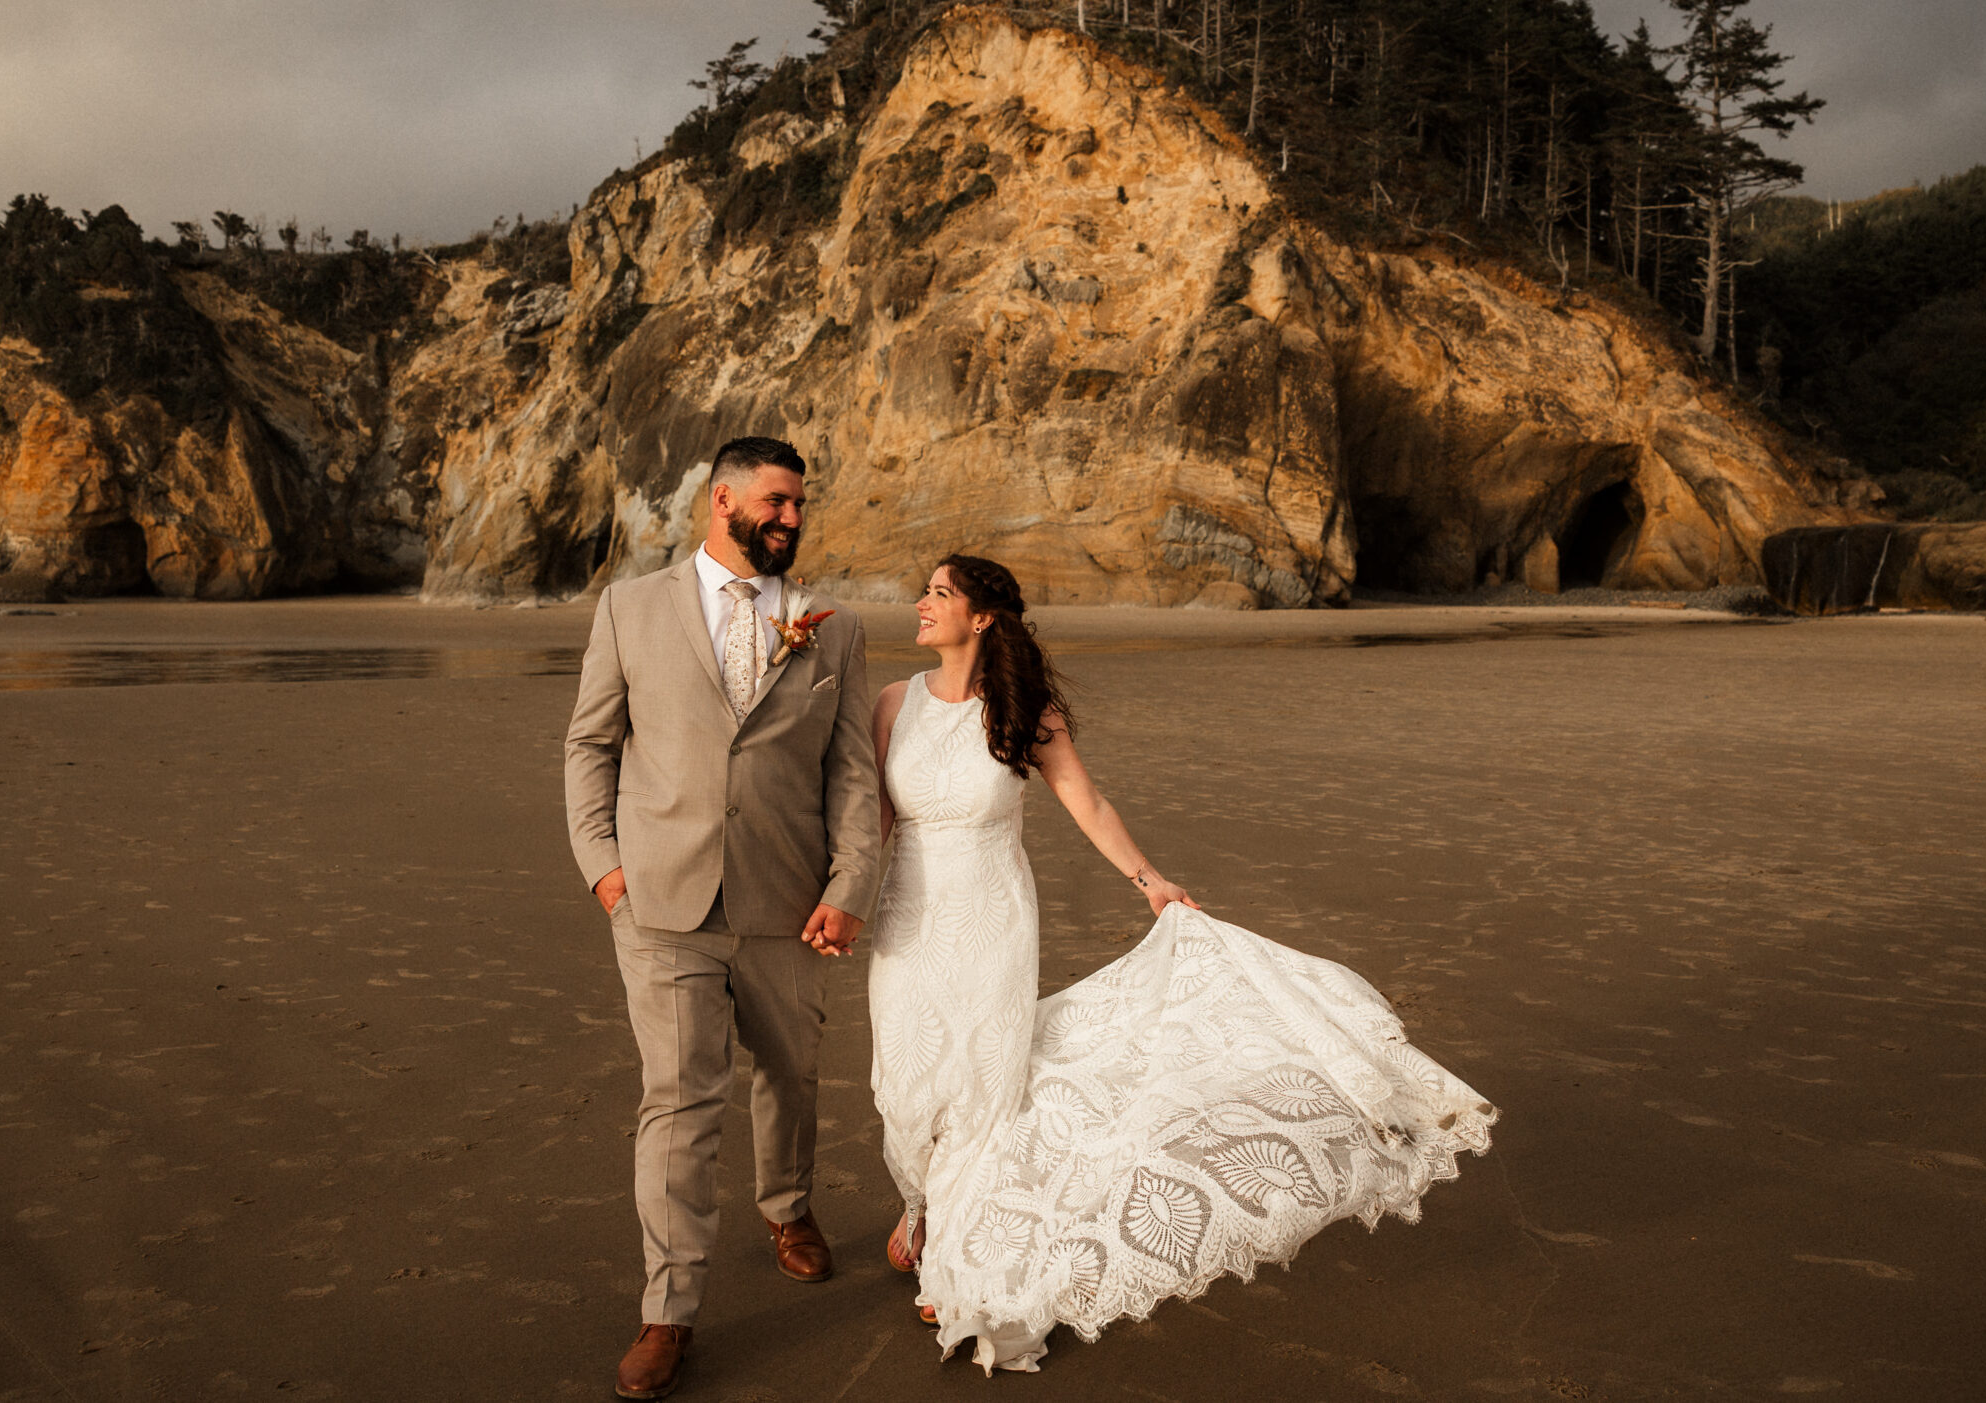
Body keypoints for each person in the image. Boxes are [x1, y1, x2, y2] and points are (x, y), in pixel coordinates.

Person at [869, 554, 1496, 1373]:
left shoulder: (1026, 709)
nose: (921, 604)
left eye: (939, 594)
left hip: (992, 919)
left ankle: (952, 1247)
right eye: (926, 593)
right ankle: (920, 1206)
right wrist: (834, 903)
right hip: (908, 917)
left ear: (982, 616)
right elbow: (873, 819)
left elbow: (1087, 804)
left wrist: (1150, 881)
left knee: (981, 1085)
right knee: (904, 1083)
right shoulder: (893, 703)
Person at [564, 436, 882, 1402]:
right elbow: (590, 746)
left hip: (789, 903)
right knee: (679, 1100)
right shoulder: (630, 607)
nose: (790, 519)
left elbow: (852, 775)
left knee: (790, 1070)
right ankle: (669, 1311)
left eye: (798, 507)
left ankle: (787, 1206)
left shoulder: (833, 628)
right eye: (776, 503)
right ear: (724, 499)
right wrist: (604, 872)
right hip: (662, 903)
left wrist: (849, 884)